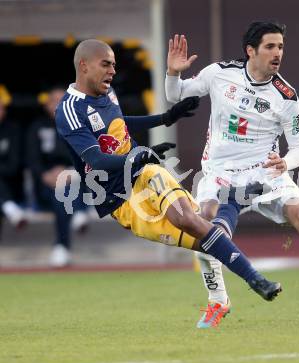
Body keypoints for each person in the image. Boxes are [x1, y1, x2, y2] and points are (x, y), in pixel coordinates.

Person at [165, 21, 299, 328]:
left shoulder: (287, 97)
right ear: (250, 51)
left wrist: (286, 163)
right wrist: (173, 73)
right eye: (270, 46)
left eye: (280, 46)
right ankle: (218, 302)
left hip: (265, 173)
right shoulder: (219, 73)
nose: (277, 52)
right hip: (219, 171)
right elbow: (175, 96)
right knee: (204, 228)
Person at [55, 39, 282, 304]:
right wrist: (136, 156)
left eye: (114, 65)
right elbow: (96, 158)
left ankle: (256, 280)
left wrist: (165, 118)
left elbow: (117, 122)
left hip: (145, 174)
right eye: (106, 64)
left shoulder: (107, 92)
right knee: (203, 239)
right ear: (83, 66)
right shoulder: (69, 109)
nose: (112, 71)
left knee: (189, 220)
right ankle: (233, 200)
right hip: (119, 201)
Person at [27, 87, 89, 267]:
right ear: (47, 105)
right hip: (46, 185)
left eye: (63, 101)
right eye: (54, 100)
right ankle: (78, 213)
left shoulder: (79, 127)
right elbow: (31, 159)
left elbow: (89, 158)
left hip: (78, 183)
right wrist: (44, 175)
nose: (58, 105)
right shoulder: (37, 128)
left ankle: (61, 246)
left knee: (65, 189)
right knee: (60, 192)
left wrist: (69, 173)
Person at [0, 89, 26, 229]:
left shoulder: (13, 130)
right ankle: (9, 206)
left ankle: (9, 205)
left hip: (10, 184)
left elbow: (13, 166)